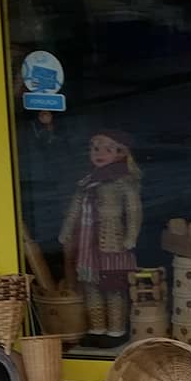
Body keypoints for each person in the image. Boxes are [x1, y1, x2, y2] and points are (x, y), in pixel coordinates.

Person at [60, 130, 142, 344]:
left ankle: (116, 330)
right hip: (87, 243)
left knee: (114, 288)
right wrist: (67, 230)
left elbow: (134, 210)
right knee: (91, 286)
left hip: (113, 243)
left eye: (108, 149)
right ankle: (97, 329)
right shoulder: (87, 181)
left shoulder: (123, 181)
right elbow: (74, 209)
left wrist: (131, 236)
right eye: (95, 148)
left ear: (121, 153)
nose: (99, 153)